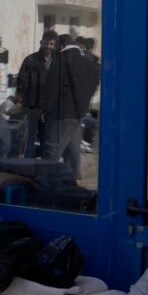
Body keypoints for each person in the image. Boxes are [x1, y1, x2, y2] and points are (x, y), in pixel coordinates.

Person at [41, 34, 99, 183]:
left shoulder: (61, 59)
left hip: (62, 113)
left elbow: (52, 86)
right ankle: (74, 179)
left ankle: (47, 182)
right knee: (72, 148)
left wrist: (45, 109)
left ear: (61, 45)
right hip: (78, 112)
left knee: (52, 148)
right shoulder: (87, 60)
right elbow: (94, 80)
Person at [15, 30, 58, 157]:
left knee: (47, 137)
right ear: (41, 43)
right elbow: (22, 83)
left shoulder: (57, 62)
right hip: (32, 106)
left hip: (49, 108)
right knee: (31, 136)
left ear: (54, 45)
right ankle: (27, 164)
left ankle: (44, 167)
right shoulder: (30, 60)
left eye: (51, 44)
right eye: (46, 43)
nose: (48, 47)